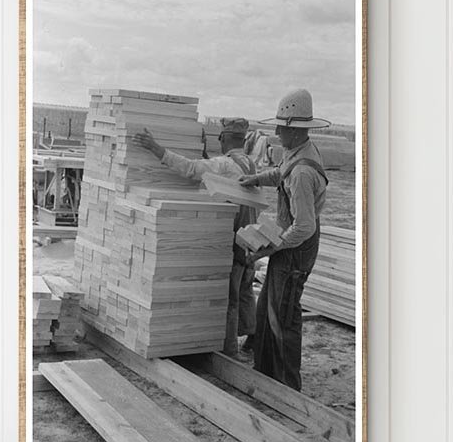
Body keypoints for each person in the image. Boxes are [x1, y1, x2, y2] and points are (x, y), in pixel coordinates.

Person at [134, 117, 259, 358]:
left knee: (229, 298)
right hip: (250, 237)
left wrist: (155, 148)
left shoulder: (224, 164)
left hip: (232, 238)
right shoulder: (248, 163)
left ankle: (229, 351)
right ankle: (253, 339)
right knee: (245, 290)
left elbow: (192, 169)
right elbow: (215, 168)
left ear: (224, 139)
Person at [239, 88, 330, 391]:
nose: (276, 133)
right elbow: (280, 172)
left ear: (294, 130)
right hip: (289, 244)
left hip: (296, 249)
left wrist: (270, 248)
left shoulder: (303, 172)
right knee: (268, 306)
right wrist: (255, 179)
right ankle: (266, 370)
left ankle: (287, 384)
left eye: (281, 128)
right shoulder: (299, 151)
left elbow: (303, 226)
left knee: (284, 314)